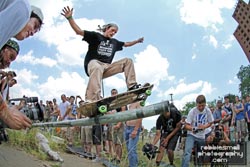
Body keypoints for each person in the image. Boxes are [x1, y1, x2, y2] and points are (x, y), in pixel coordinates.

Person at [61, 6, 143, 103]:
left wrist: (137, 41)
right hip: (93, 64)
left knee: (128, 61)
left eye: (115, 32)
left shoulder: (115, 42)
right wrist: (70, 18)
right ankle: (92, 99)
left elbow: (127, 44)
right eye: (112, 30)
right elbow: (78, 31)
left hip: (107, 67)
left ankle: (132, 86)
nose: (113, 33)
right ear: (107, 28)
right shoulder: (96, 36)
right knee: (97, 67)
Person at [0, 40, 31, 130]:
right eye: (10, 57)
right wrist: (7, 114)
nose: (8, 63)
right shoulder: (4, 82)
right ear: (4, 49)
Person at [181, 95, 214, 167]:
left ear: (205, 103)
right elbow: (186, 125)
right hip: (192, 135)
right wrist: (193, 128)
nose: (201, 108)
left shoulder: (207, 111)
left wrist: (204, 126)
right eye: (199, 106)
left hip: (201, 136)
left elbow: (211, 122)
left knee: (200, 154)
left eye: (203, 105)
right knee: (187, 152)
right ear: (196, 104)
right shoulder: (192, 111)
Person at [124, 102, 142, 167]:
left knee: (131, 149)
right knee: (129, 149)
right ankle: (133, 164)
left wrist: (135, 129)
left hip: (133, 128)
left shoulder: (138, 103)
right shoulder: (129, 105)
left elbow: (140, 115)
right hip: (127, 128)